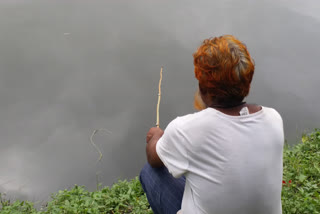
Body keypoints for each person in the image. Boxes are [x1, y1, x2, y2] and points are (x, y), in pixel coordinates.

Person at [140, 35, 284, 214]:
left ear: (203, 87)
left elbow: (154, 159)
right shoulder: (273, 118)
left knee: (150, 172)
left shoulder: (186, 130)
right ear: (247, 82)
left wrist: (155, 137)